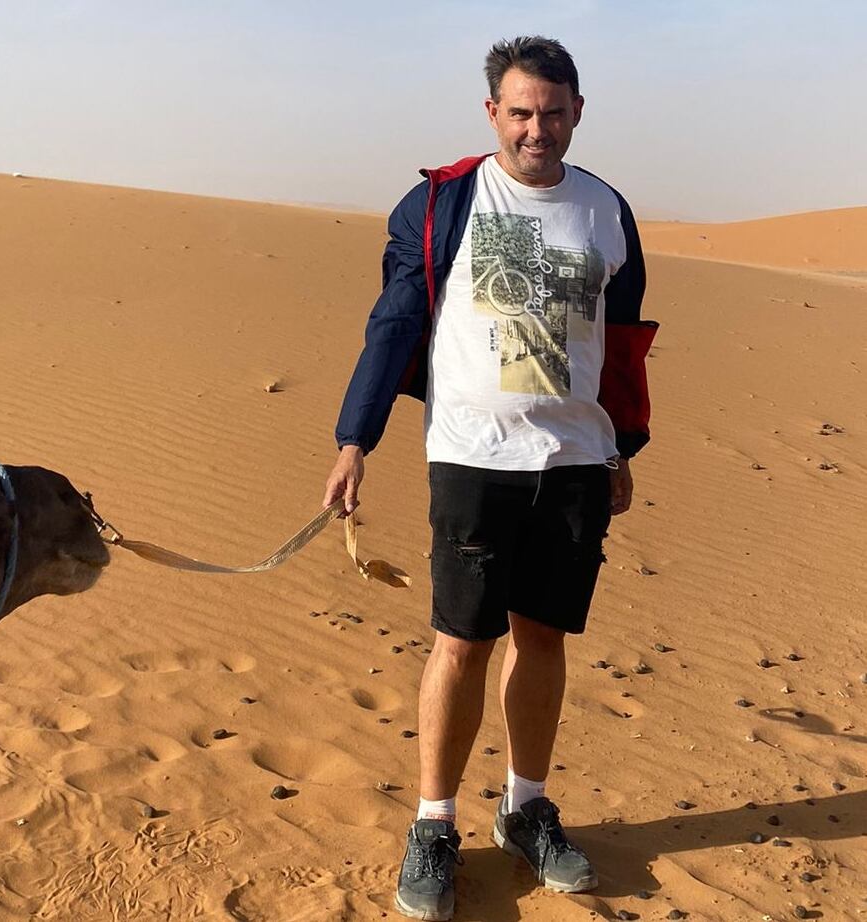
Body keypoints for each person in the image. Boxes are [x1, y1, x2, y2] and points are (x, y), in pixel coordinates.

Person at [321, 36, 658, 921]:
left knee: (542, 638)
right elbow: (393, 321)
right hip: (472, 455)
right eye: (519, 112)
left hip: (575, 461)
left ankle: (524, 807)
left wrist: (622, 445)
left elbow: (618, 346)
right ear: (491, 114)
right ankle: (434, 822)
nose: (535, 129)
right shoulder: (442, 203)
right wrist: (355, 438)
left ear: (577, 112)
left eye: (551, 112)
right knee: (461, 641)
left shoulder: (606, 209)